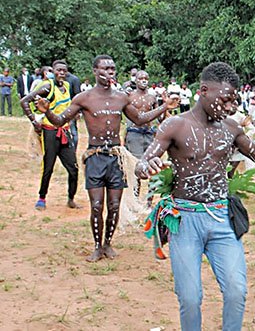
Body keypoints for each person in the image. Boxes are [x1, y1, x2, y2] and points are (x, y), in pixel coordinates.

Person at [135, 62, 255, 331]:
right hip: (184, 221)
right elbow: (143, 162)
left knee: (237, 291)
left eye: (234, 101)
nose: (230, 107)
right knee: (190, 298)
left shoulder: (230, 128)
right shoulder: (175, 125)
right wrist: (148, 166)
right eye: (225, 100)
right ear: (203, 91)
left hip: (221, 220)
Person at [35, 55, 178, 262]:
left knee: (113, 205)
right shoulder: (84, 98)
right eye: (105, 68)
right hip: (94, 157)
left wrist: (164, 107)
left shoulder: (121, 97)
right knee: (96, 205)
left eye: (112, 68)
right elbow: (59, 120)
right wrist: (47, 111)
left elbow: (139, 119)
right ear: (95, 71)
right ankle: (96, 246)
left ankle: (108, 244)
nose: (110, 71)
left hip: (116, 158)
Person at [20, 60, 79, 211]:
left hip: (65, 131)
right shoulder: (48, 86)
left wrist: (72, 117)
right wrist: (34, 121)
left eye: (64, 71)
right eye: (58, 70)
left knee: (73, 168)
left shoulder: (66, 86)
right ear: (53, 71)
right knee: (48, 166)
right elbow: (24, 101)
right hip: (50, 132)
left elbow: (69, 107)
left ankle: (71, 199)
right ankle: (42, 197)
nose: (62, 73)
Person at [125, 70, 161, 199]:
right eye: (141, 78)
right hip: (134, 133)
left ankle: (149, 200)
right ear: (136, 80)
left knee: (152, 165)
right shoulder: (129, 96)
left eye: (146, 78)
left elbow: (159, 116)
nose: (144, 80)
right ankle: (135, 199)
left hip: (149, 133)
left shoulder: (152, 97)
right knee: (137, 166)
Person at [66, 71, 82, 148]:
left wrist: (78, 111)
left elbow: (78, 95)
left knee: (73, 131)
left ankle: (73, 149)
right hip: (61, 108)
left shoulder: (74, 79)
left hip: (71, 109)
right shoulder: (54, 80)